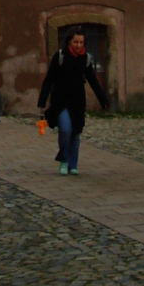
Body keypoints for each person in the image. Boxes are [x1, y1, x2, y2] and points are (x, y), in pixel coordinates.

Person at [38, 25, 108, 176]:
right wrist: (42, 100)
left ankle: (73, 164)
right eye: (76, 42)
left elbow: (93, 81)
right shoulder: (61, 56)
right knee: (65, 129)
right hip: (61, 100)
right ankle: (64, 160)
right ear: (69, 41)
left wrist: (103, 100)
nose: (78, 45)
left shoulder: (86, 59)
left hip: (77, 101)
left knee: (75, 133)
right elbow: (50, 79)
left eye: (81, 42)